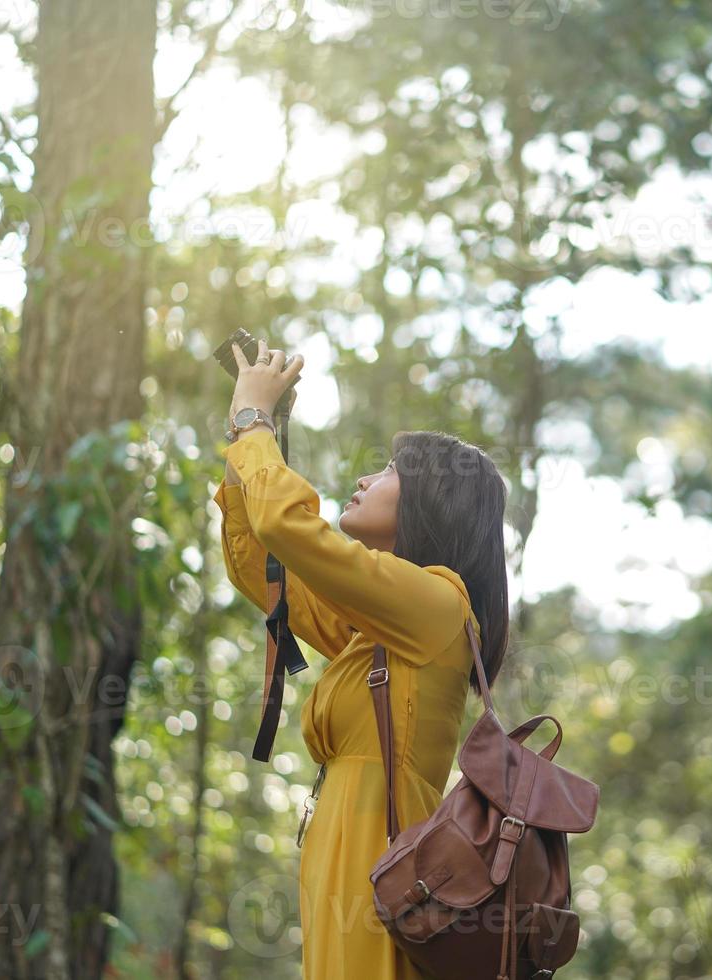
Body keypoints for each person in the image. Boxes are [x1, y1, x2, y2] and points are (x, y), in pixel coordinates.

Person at [213, 339, 510, 978]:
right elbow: (264, 572)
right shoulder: (376, 627)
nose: (364, 479)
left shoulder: (435, 604)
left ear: (434, 501)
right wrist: (257, 436)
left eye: (388, 471)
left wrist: (253, 423)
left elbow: (290, 529)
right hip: (347, 845)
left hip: (382, 848)